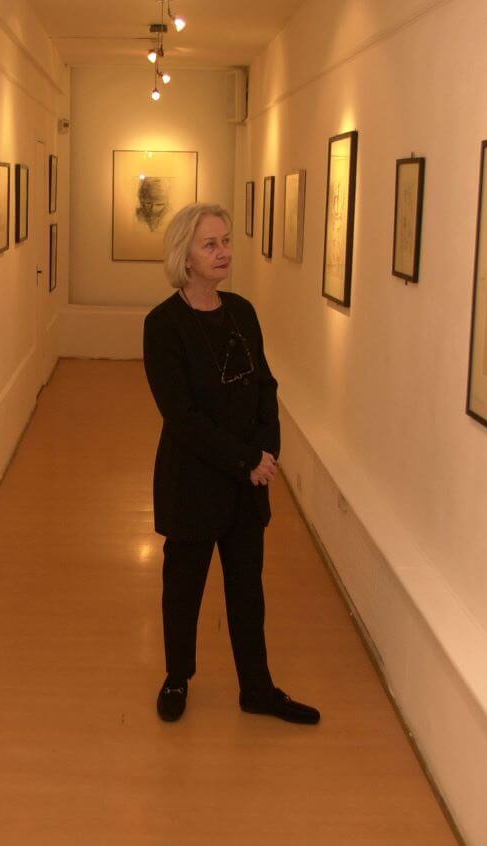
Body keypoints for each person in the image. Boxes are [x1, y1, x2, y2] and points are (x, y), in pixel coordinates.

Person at [142, 202, 320, 725]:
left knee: (247, 588)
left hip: (248, 481)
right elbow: (182, 416)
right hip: (194, 480)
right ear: (187, 257)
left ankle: (257, 687)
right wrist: (246, 459)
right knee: (184, 587)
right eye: (210, 245)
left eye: (226, 242)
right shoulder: (163, 325)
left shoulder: (242, 311)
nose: (223, 253)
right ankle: (178, 678)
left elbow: (265, 385)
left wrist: (269, 451)